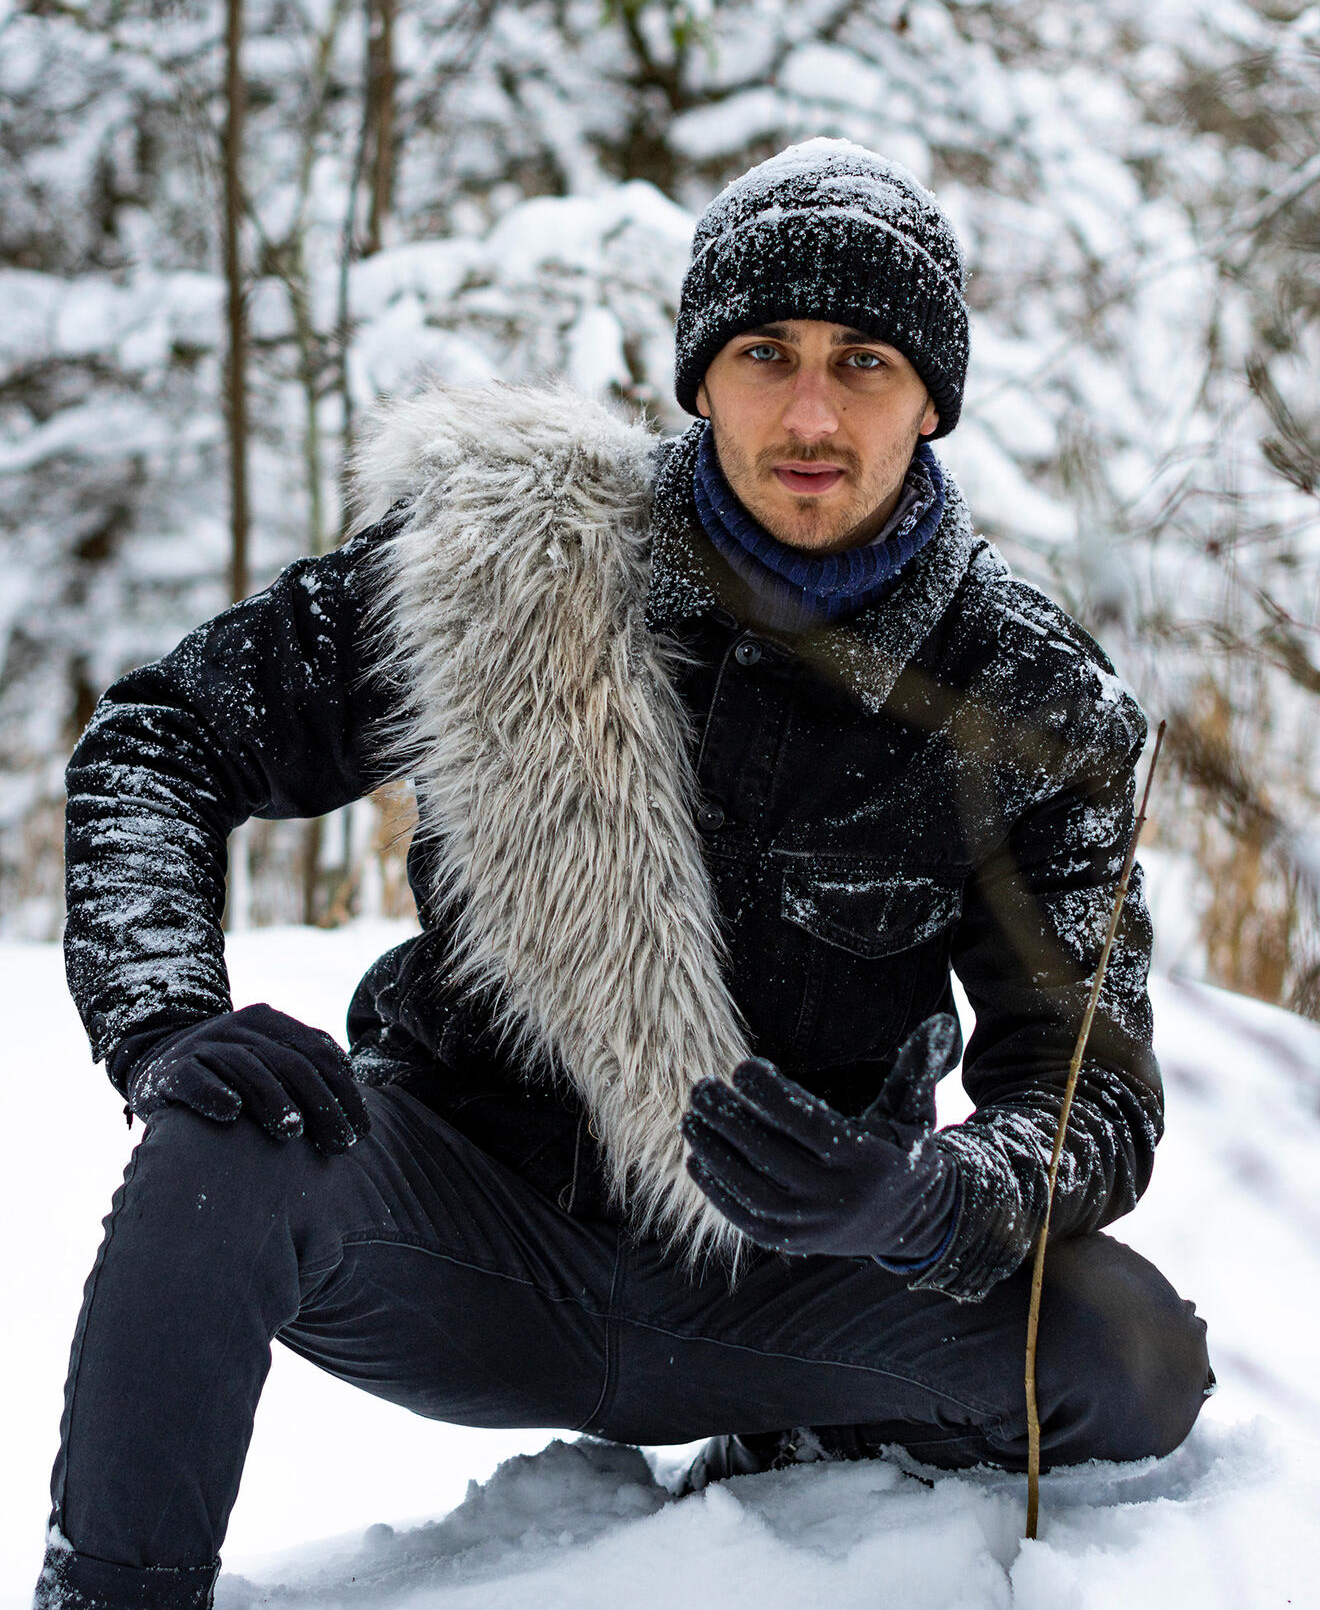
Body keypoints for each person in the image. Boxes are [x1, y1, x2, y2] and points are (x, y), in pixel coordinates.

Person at [37, 140, 1211, 1610]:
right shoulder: (499, 563)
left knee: (1130, 1348)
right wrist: (162, 1018)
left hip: (789, 1283)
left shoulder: (1032, 700)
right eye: (764, 352)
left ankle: (792, 1456)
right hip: (466, 1240)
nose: (806, 411)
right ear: (698, 378)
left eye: (862, 362)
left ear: (931, 399)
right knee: (220, 1141)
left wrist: (928, 1199)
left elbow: (1094, 1095)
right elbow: (160, 740)